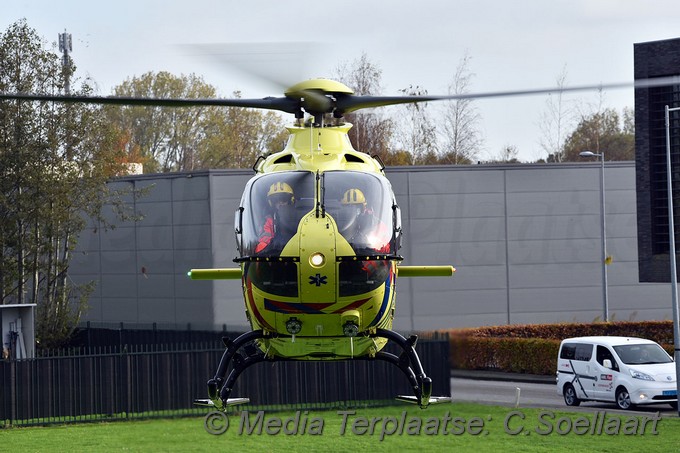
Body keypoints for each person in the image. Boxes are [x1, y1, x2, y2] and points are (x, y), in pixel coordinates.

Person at [340, 188, 391, 254]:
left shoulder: (375, 223)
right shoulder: (338, 223)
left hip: (368, 257)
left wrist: (375, 245)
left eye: (357, 207)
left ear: (364, 207)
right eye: (348, 207)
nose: (353, 210)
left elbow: (385, 246)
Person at [255, 181, 295, 253]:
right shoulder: (269, 220)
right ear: (271, 202)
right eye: (276, 200)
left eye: (284, 199)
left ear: (290, 200)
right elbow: (264, 241)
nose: (280, 203)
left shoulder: (302, 218)